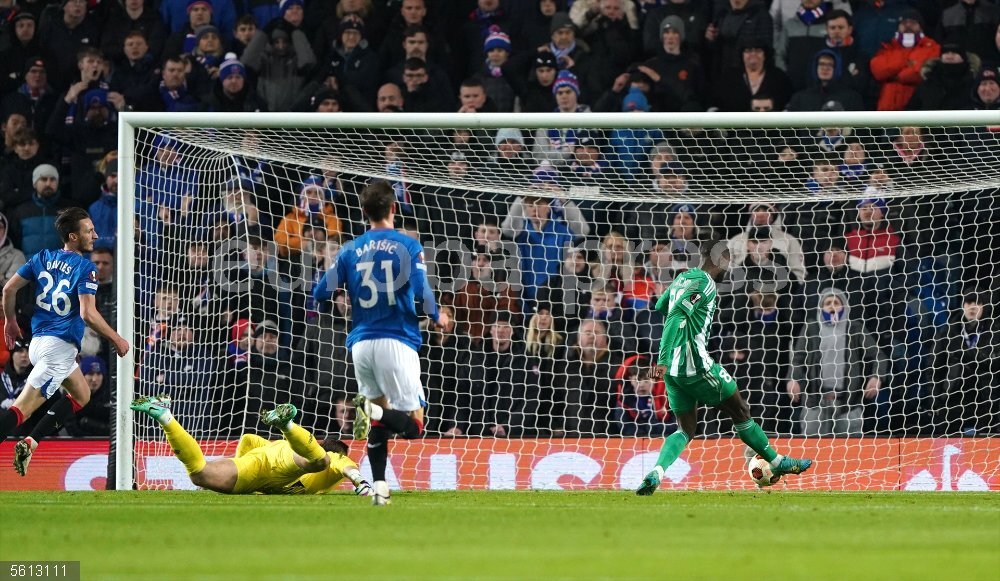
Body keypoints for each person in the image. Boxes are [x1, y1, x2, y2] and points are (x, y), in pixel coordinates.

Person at [636, 241, 812, 495]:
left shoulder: (683, 277)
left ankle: (657, 472)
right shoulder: (705, 283)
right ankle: (777, 462)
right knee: (740, 411)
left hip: (674, 372)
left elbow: (661, 306)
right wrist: (661, 360)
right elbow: (674, 315)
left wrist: (669, 356)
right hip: (695, 365)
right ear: (722, 260)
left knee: (685, 429)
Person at [312, 181, 447, 506]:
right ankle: (370, 409)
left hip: (361, 345)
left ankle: (381, 489)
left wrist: (350, 285)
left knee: (379, 422)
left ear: (364, 212)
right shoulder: (408, 245)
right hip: (396, 341)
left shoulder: (349, 249)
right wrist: (437, 315)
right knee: (414, 426)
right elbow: (422, 291)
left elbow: (320, 293)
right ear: (393, 208)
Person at [0, 208, 129, 476]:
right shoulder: (85, 267)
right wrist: (116, 338)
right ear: (73, 236)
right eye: (89, 231)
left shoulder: (42, 257)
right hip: (58, 348)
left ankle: (30, 443)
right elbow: (87, 313)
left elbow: (9, 288)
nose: (95, 235)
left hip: (39, 343)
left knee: (81, 394)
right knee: (20, 410)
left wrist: (10, 321)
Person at [131, 397, 372, 495]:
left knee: (199, 475)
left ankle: (165, 416)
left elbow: (248, 438)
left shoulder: (265, 447)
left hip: (256, 470)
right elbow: (346, 466)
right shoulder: (335, 459)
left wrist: (238, 463)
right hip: (288, 462)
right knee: (320, 462)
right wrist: (361, 483)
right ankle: (287, 425)